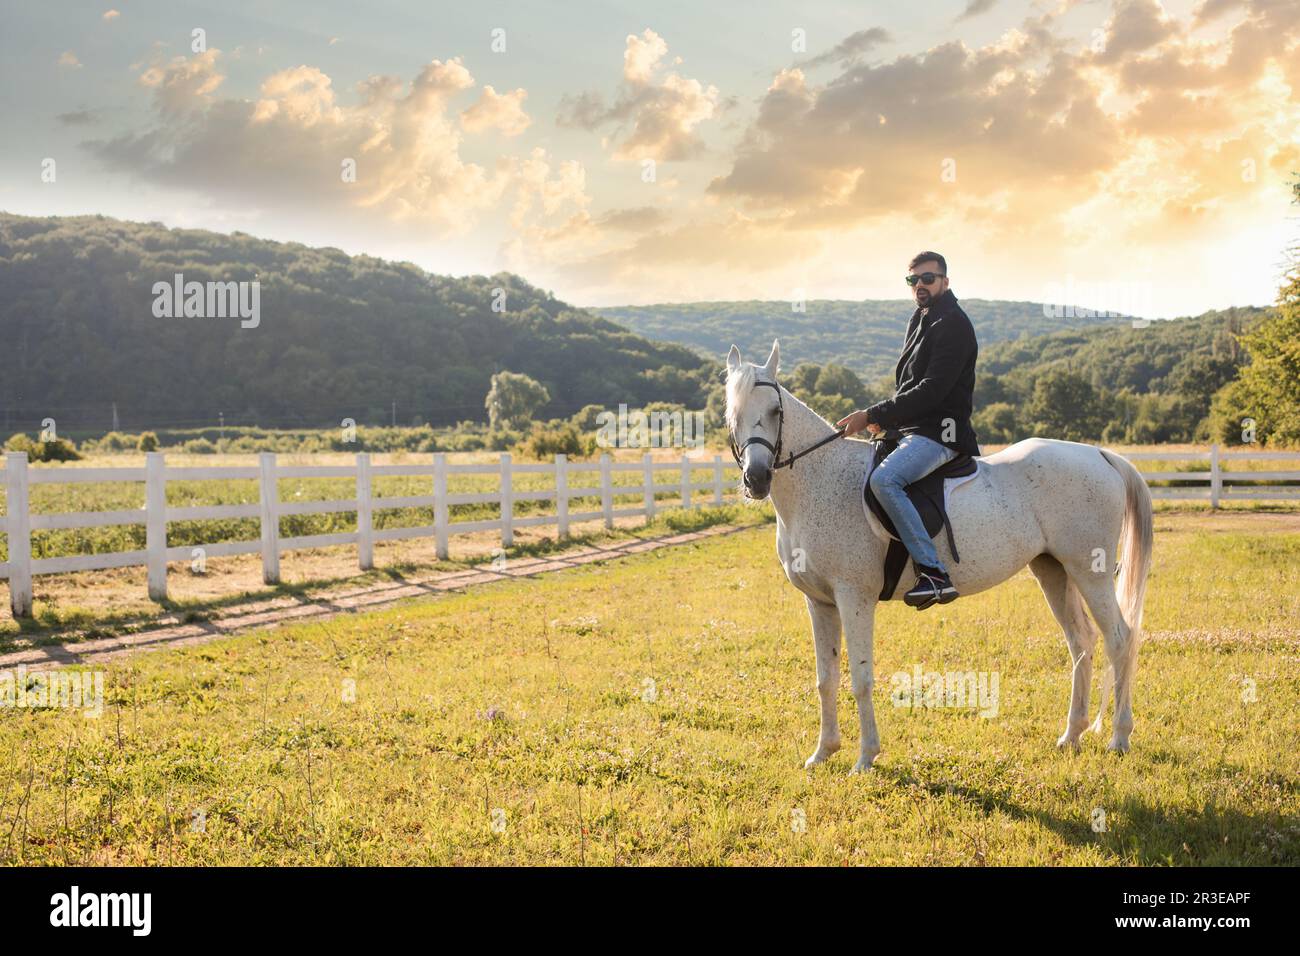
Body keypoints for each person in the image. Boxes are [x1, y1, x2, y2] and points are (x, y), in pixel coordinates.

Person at [837, 251, 981, 610]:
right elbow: (907, 389)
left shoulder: (954, 325)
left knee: (884, 480)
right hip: (914, 428)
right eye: (913, 280)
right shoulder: (920, 319)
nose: (920, 285)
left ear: (945, 282)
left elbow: (932, 390)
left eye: (928, 278)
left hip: (942, 435)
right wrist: (885, 421)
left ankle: (933, 573)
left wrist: (874, 412)